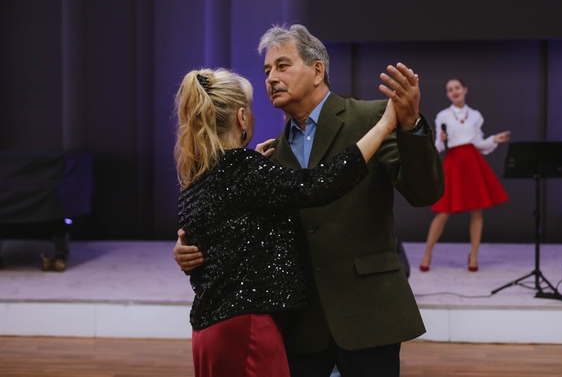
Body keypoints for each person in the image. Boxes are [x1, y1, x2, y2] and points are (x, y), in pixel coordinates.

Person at [174, 24, 444, 377]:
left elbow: (424, 192)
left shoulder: (371, 117)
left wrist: (410, 126)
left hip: (368, 311)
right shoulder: (268, 155)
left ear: (318, 71)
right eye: (267, 71)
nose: (271, 78)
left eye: (282, 66)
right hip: (299, 324)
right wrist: (191, 247)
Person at [419, 78, 510, 273]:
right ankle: (427, 254)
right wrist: (441, 139)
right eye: (450, 89)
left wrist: (494, 139)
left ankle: (473, 256)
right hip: (454, 163)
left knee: (476, 211)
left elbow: (479, 143)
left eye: (457, 88)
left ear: (465, 89)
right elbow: (439, 147)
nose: (454, 91)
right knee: (443, 211)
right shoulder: (443, 116)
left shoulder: (475, 115)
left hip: (472, 163)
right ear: (447, 94)